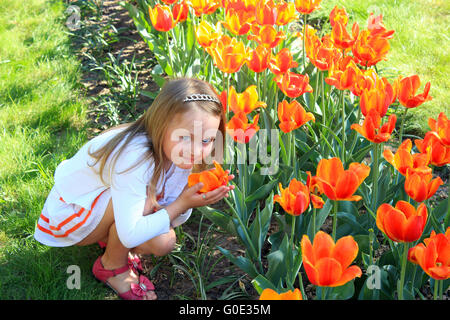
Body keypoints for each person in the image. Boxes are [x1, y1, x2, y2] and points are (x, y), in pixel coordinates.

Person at [33, 77, 235, 300]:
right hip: (69, 214)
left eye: (206, 140)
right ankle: (111, 267)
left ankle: (110, 238)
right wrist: (183, 203)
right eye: (186, 137)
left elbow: (172, 217)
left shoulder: (181, 155)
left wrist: (195, 195)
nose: (197, 150)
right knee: (147, 202)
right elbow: (132, 234)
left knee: (164, 241)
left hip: (103, 206)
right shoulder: (137, 156)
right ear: (162, 124)